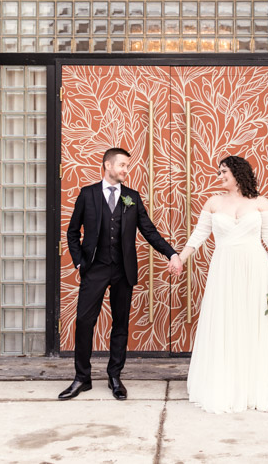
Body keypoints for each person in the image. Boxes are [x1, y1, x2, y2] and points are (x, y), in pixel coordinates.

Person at [175, 155, 268, 416]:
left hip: (255, 269)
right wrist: (180, 259)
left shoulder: (260, 203)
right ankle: (227, 384)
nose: (220, 176)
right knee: (227, 321)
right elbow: (199, 235)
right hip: (224, 268)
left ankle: (257, 385)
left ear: (238, 173)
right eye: (219, 172)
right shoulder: (213, 202)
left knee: (253, 323)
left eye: (224, 172)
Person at [59, 147, 183, 401]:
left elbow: (150, 231)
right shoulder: (88, 194)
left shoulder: (132, 198)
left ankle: (115, 376)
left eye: (128, 166)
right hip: (94, 268)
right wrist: (80, 262)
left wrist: (172, 254)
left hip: (123, 269)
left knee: (120, 324)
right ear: (108, 166)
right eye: (123, 165)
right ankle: (82, 378)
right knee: (84, 322)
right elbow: (73, 232)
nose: (127, 170)